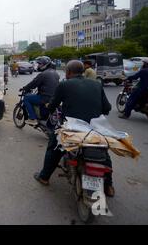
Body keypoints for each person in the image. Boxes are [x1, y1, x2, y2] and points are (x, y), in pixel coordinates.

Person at [33, 60, 115, 197]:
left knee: (54, 146)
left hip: (73, 128)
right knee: (103, 152)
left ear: (68, 72)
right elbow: (107, 108)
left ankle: (44, 177)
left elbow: (53, 104)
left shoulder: (64, 85)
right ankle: (109, 186)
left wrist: (48, 108)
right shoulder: (96, 84)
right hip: (93, 128)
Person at [21, 56, 60, 126]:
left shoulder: (43, 74)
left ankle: (33, 118)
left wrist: (25, 88)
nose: (38, 65)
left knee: (26, 98)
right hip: (54, 98)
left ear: (45, 64)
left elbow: (33, 84)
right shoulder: (55, 73)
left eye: (40, 64)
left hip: (45, 98)